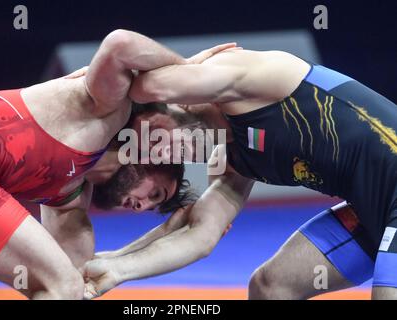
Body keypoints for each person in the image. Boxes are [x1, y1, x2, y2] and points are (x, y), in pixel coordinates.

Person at [84, 46, 397, 299]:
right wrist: (117, 266)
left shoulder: (246, 78)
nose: (164, 152)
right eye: (154, 155)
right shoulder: (233, 163)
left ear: (165, 103)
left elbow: (122, 45)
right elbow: (198, 238)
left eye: (155, 137)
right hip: (373, 213)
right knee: (270, 288)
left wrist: (184, 66)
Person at [0, 29, 208, 299]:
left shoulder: (69, 198)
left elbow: (85, 279)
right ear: (143, 157)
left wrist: (165, 232)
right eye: (156, 193)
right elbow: (121, 43)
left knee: (69, 288)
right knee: (61, 285)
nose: (142, 205)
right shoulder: (108, 108)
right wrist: (187, 75)